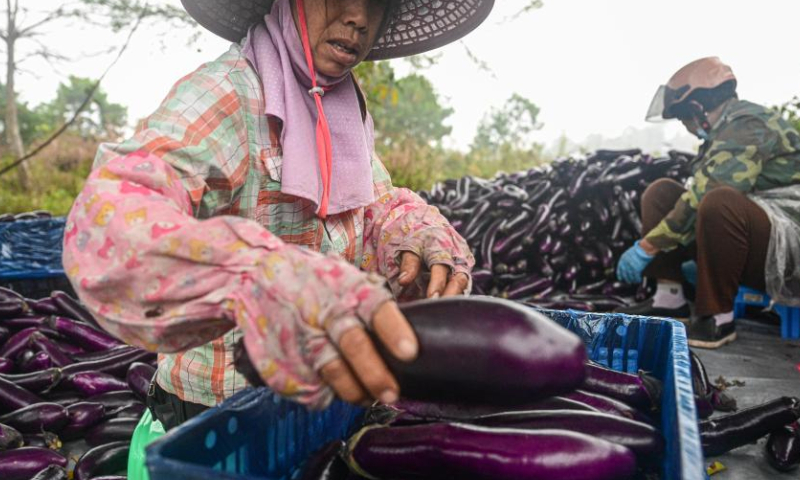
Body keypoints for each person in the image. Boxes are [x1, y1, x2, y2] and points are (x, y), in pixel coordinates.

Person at [62, 0, 492, 428]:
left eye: (377, 4)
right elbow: (112, 215)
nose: (358, 18)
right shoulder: (226, 93)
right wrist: (257, 276)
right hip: (223, 410)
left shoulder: (341, 105)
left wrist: (414, 230)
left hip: (327, 394)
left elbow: (373, 201)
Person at [615, 57, 800, 349]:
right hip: (757, 234)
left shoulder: (748, 125)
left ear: (696, 108)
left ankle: (717, 319)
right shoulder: (722, 133)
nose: (685, 126)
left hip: (788, 249)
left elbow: (710, 192)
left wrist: (648, 246)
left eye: (682, 118)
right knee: (662, 192)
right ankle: (669, 298)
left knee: (719, 200)